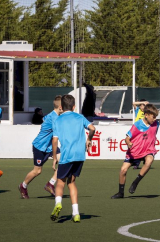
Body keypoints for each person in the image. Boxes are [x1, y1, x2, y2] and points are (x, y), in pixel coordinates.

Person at [50, 94, 95, 223]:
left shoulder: (58, 120)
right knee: (72, 182)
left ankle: (58, 204)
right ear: (74, 107)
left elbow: (54, 140)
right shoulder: (80, 117)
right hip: (80, 155)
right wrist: (89, 139)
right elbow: (92, 128)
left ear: (61, 107)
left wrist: (54, 157)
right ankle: (76, 213)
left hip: (67, 155)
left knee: (60, 182)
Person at [111, 104, 159, 199]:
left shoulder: (156, 124)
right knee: (123, 170)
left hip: (148, 150)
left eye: (155, 117)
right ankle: (120, 193)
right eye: (153, 117)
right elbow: (127, 138)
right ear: (146, 115)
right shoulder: (137, 125)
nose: (154, 119)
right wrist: (129, 143)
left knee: (149, 161)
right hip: (135, 151)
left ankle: (135, 182)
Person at [18, 96, 62, 199]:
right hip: (40, 146)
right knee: (37, 171)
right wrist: (54, 157)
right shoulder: (54, 119)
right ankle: (23, 185)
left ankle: (50, 184)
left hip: (50, 146)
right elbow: (57, 137)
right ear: (60, 107)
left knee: (64, 162)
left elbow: (44, 119)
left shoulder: (52, 115)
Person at [132, 99, 149, 169]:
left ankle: (145, 159)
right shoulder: (137, 110)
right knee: (137, 147)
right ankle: (137, 163)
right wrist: (142, 102)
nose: (142, 107)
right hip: (137, 131)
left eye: (143, 106)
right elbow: (133, 103)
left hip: (144, 131)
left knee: (144, 146)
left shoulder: (147, 112)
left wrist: (146, 104)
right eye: (141, 106)